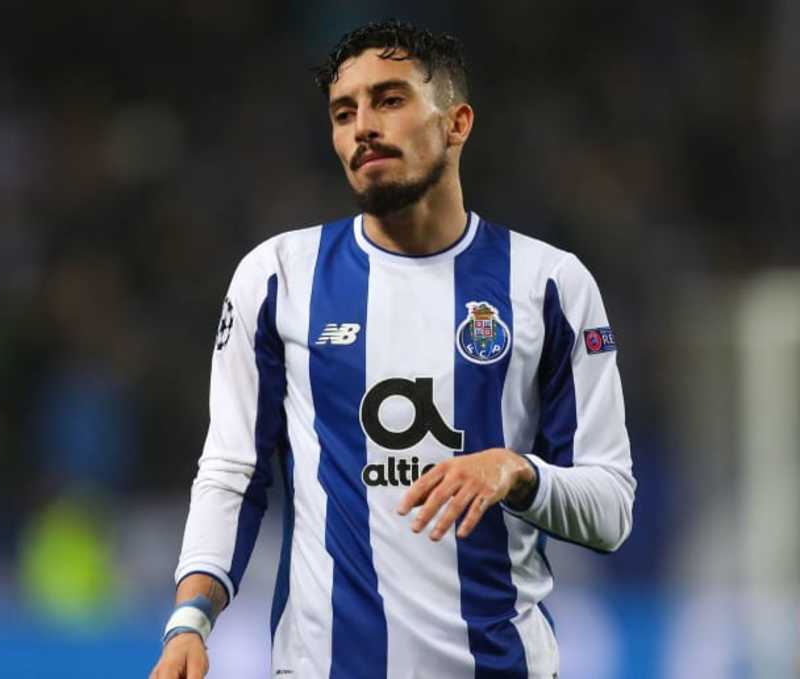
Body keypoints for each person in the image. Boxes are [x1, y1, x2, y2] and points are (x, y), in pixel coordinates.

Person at [149, 19, 635, 679]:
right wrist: (190, 619)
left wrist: (516, 472)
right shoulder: (278, 277)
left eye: (389, 100)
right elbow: (233, 470)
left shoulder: (550, 284)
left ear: (457, 123)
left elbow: (611, 509)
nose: (363, 127)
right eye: (343, 112)